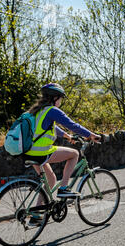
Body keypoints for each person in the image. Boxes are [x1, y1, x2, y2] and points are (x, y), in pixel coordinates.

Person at [24, 83, 101, 225]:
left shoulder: (36, 111)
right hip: (41, 153)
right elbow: (72, 125)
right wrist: (91, 135)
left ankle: (36, 216)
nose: (60, 102)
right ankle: (64, 189)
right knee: (74, 154)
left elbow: (51, 127)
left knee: (50, 180)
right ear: (55, 98)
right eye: (60, 98)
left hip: (28, 153)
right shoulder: (53, 110)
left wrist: (67, 137)